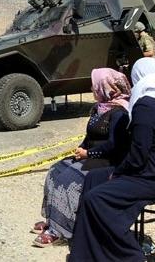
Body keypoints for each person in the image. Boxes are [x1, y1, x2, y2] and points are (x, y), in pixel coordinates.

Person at [69, 57, 155, 261]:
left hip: (153, 178)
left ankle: (131, 255)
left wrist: (117, 173)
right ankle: (85, 253)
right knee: (93, 178)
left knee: (96, 198)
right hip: (154, 173)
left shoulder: (146, 105)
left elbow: (138, 155)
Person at [32, 68, 132, 247]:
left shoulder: (120, 113)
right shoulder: (99, 108)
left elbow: (114, 145)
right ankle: (53, 220)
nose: (92, 89)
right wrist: (82, 147)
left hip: (107, 160)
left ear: (106, 88)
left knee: (70, 179)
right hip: (90, 156)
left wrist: (89, 153)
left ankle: (62, 230)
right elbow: (90, 136)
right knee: (56, 170)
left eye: (95, 86)